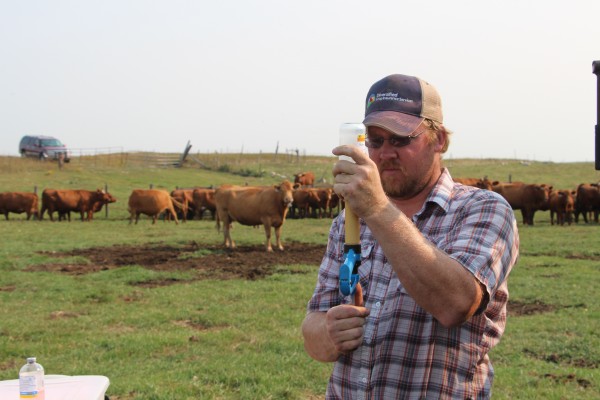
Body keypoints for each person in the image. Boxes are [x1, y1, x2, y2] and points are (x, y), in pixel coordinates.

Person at [302, 74, 519, 399]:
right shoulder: (348, 222)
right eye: (374, 141)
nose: (385, 153)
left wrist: (377, 209)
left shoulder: (482, 210)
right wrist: (329, 332)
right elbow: (312, 329)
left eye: (400, 140)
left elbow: (456, 304)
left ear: (440, 140)